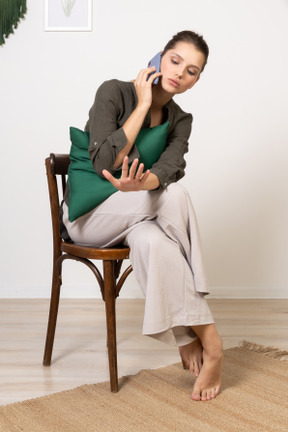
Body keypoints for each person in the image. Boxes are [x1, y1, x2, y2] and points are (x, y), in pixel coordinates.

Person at [62, 30, 223, 401]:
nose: (181, 73)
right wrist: (142, 104)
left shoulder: (181, 120)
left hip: (138, 214)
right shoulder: (114, 92)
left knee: (154, 243)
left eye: (193, 71)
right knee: (176, 197)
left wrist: (142, 184)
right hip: (89, 218)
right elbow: (105, 160)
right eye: (176, 60)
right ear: (160, 57)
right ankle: (212, 343)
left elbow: (168, 169)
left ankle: (187, 334)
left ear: (196, 81)